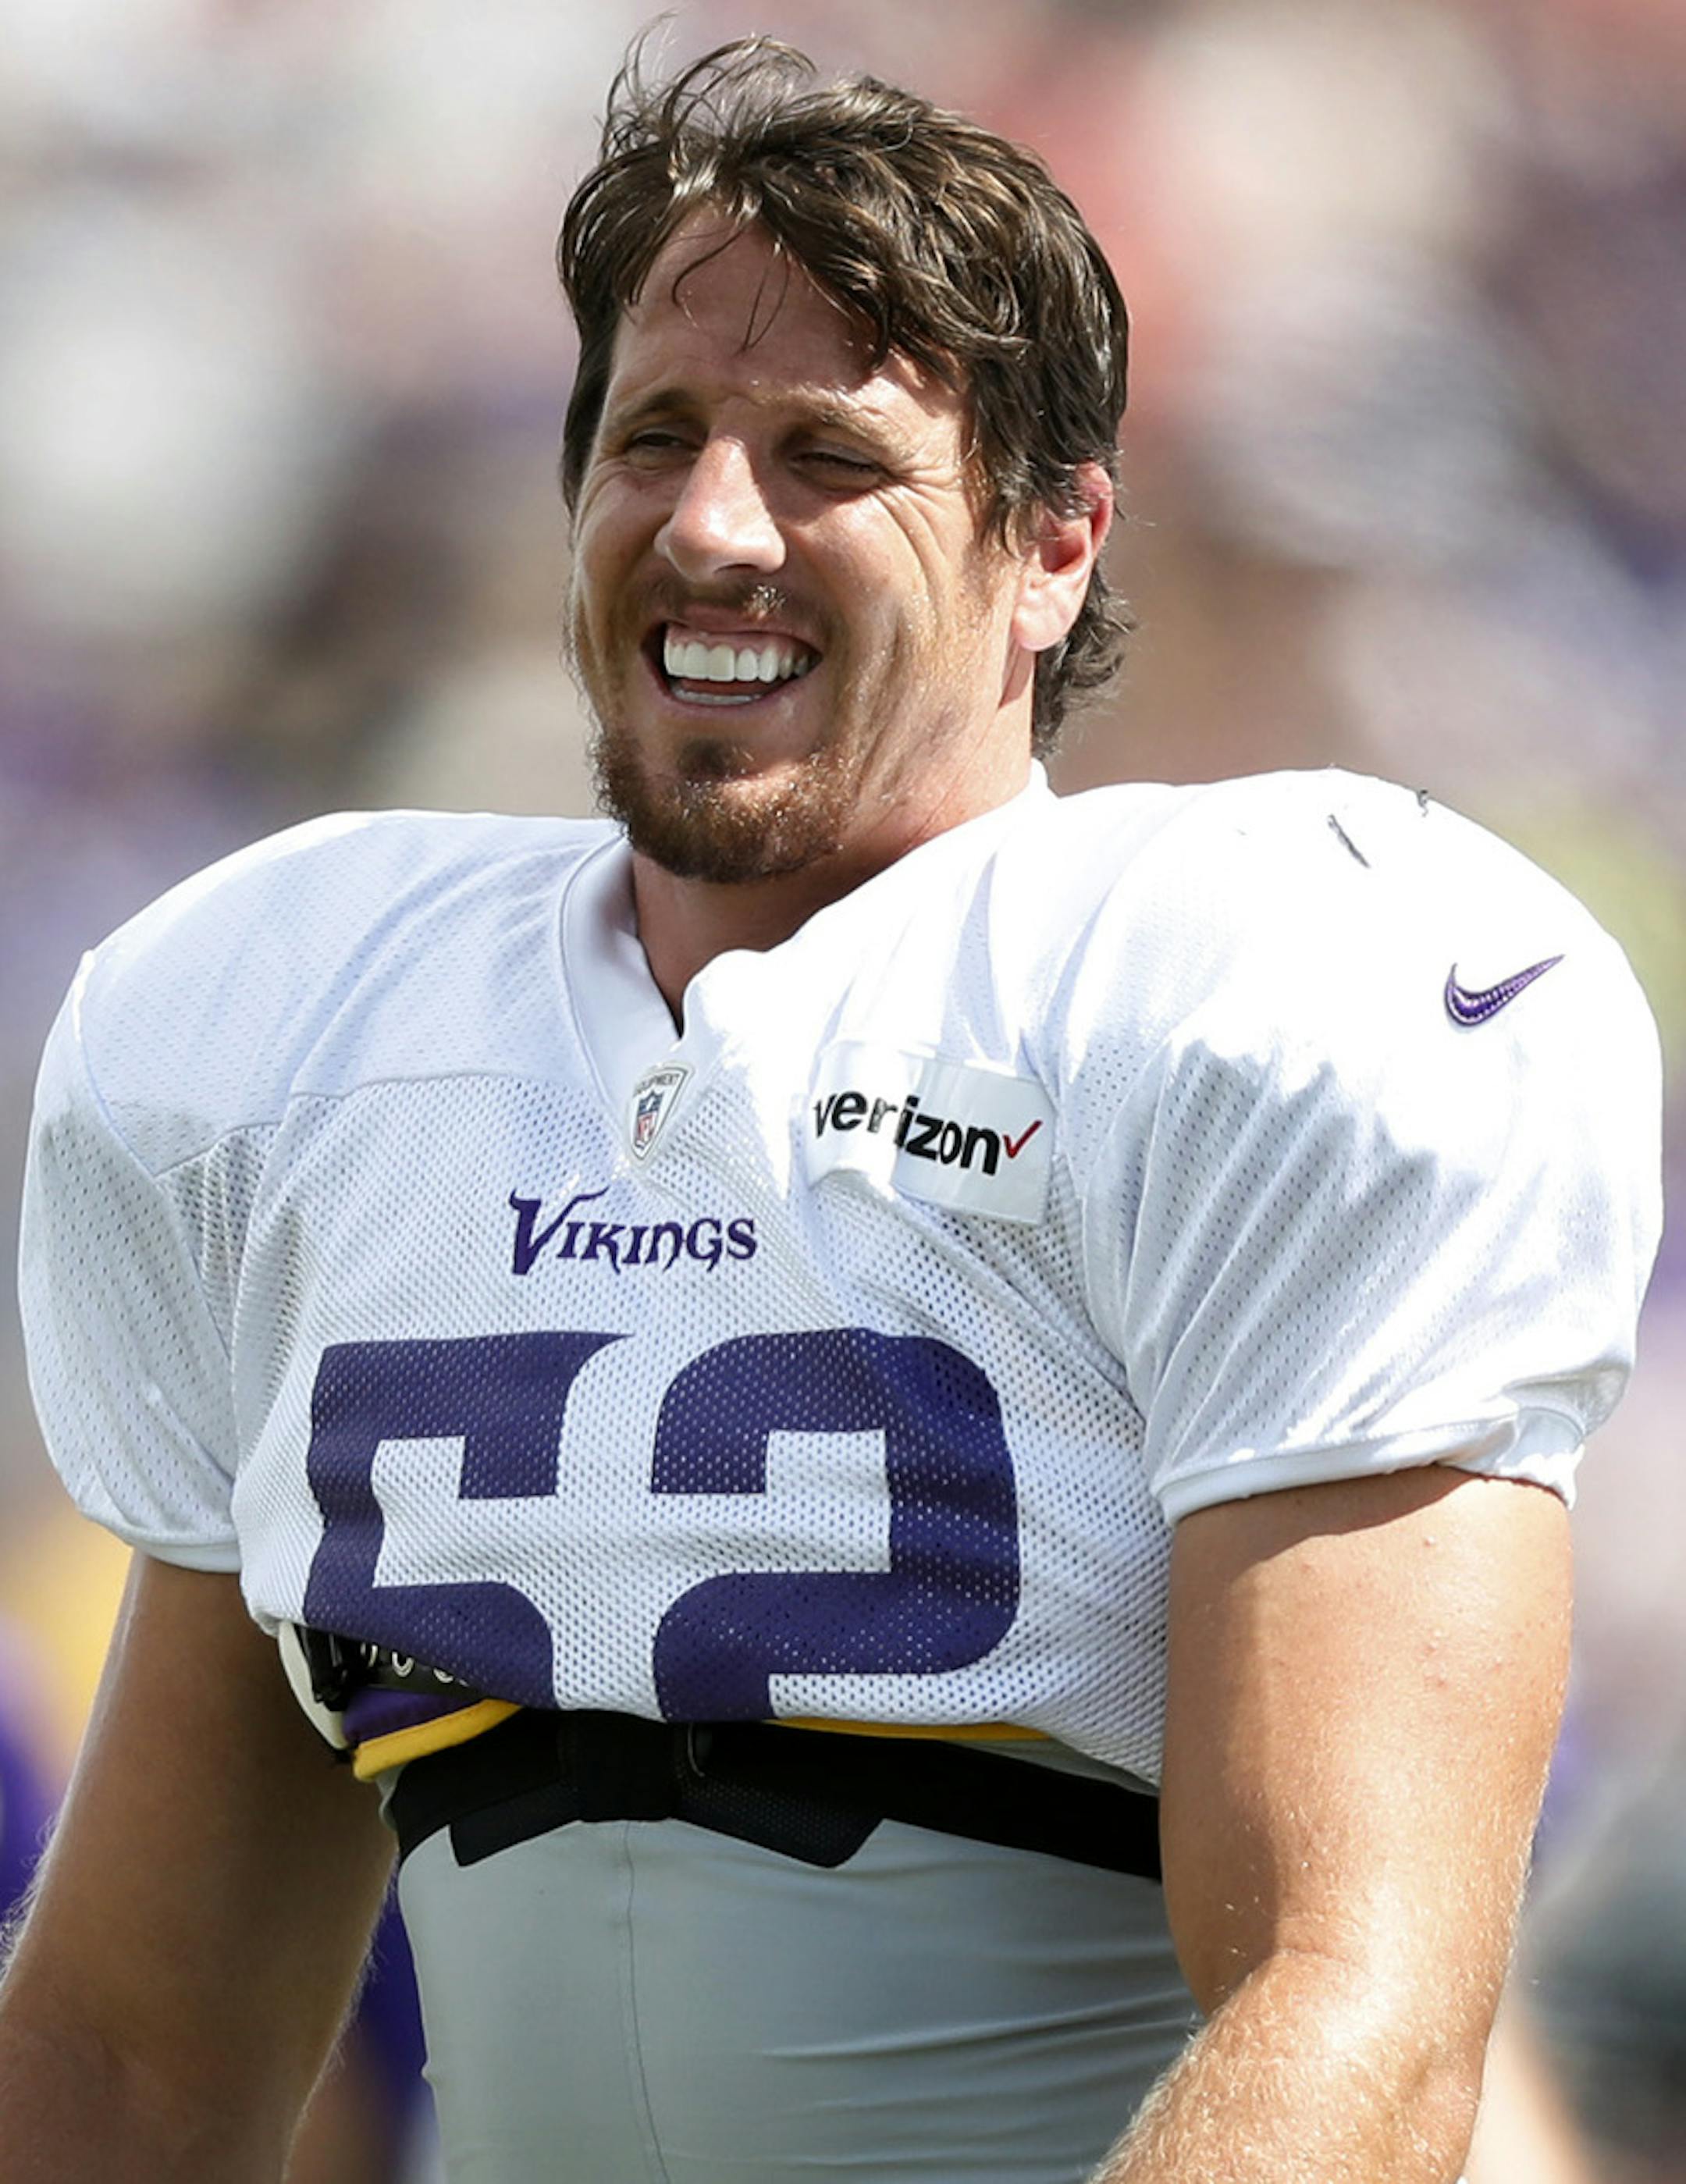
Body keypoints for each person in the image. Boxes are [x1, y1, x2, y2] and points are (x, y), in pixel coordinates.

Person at [0, 36, 1663, 2184]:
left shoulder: (1245, 1006)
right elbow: (136, 2046)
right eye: (656, 436)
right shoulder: (308, 1040)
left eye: (826, 457)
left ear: (1053, 544)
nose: (712, 523)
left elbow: (1359, 2010)